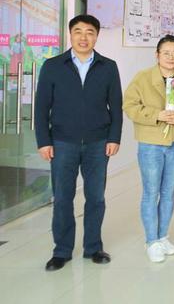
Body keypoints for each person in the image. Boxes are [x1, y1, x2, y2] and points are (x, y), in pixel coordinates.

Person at [35, 14, 122, 272]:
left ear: (97, 36)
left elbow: (116, 107)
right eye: (78, 31)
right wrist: (43, 141)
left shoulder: (108, 67)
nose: (84, 37)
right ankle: (61, 251)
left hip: (98, 143)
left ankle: (93, 247)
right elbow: (41, 108)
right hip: (62, 142)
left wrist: (114, 137)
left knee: (95, 197)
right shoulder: (53, 66)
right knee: (63, 198)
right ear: (70, 34)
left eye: (90, 32)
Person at [122, 34, 174, 263]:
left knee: (169, 192)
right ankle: (151, 241)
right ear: (157, 55)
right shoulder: (142, 78)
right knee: (151, 192)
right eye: (166, 53)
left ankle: (163, 236)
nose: (171, 57)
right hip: (151, 143)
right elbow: (129, 106)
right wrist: (157, 115)